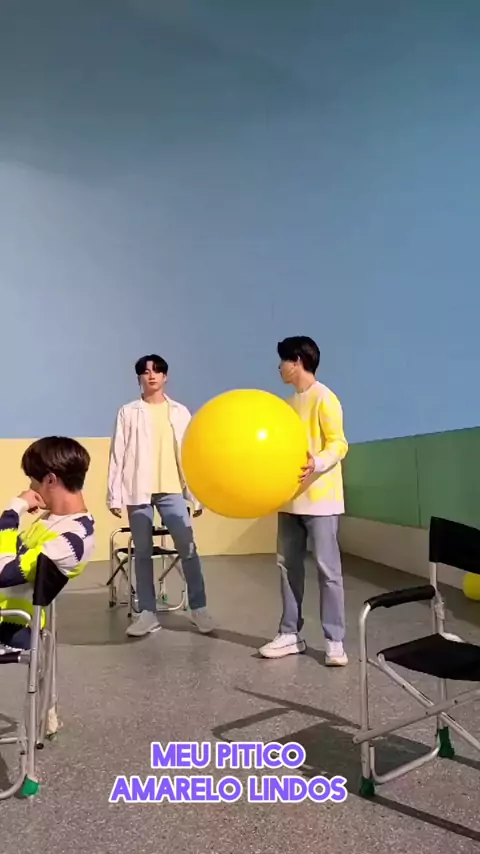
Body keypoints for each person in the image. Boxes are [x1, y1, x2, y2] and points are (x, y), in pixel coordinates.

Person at [107, 354, 214, 638]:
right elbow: (118, 453)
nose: (151, 375)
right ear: (139, 378)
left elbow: (191, 453)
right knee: (142, 552)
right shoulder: (128, 412)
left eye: (157, 371)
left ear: (165, 377)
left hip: (172, 489)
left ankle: (199, 608)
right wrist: (114, 495)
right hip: (138, 490)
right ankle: (148, 614)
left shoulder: (179, 412)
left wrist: (197, 494)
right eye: (146, 372)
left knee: (187, 548)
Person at [259, 336, 349, 666]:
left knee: (328, 570)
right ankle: (289, 634)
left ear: (297, 361)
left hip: (321, 501)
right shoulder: (286, 406)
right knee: (288, 568)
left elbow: (339, 444)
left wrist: (317, 462)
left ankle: (334, 641)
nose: (279, 367)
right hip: (289, 500)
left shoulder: (325, 397)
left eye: (283, 361)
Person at [0, 436, 95, 650]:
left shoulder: (72, 539)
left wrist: (13, 511)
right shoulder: (55, 520)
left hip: (10, 624)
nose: (30, 487)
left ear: (50, 480)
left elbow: (3, 573)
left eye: (32, 479)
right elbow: (11, 551)